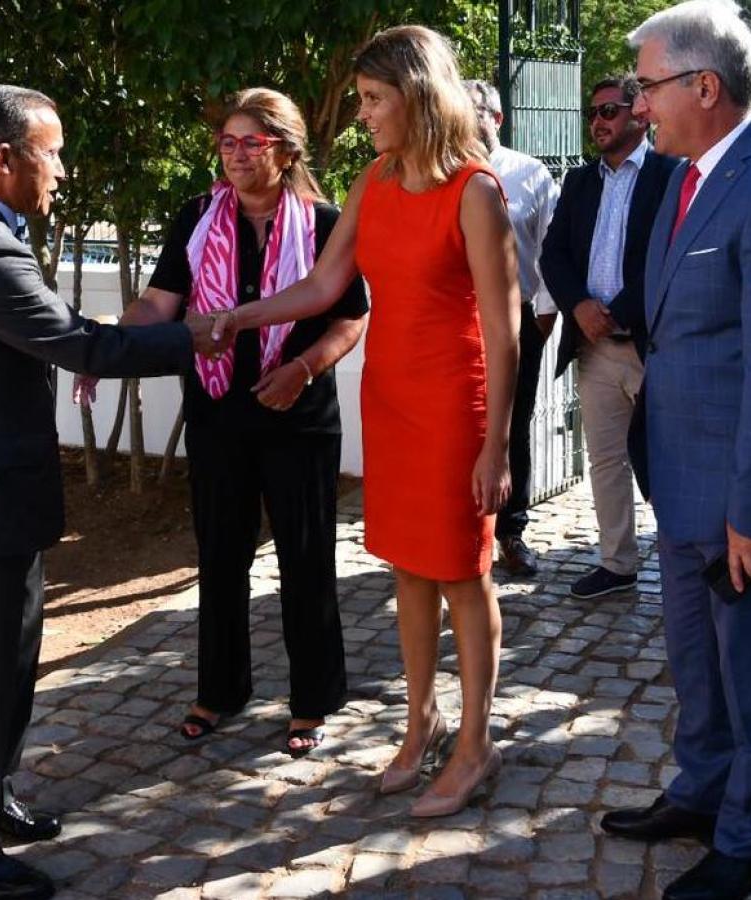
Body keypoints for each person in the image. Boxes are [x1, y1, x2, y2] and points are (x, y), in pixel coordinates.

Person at [194, 25, 519, 819]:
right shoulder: (376, 181)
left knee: (461, 573)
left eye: (375, 99)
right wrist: (241, 316)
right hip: (393, 401)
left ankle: (476, 745)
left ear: (419, 95)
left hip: (454, 405)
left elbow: (504, 324)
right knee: (409, 565)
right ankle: (421, 724)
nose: (365, 114)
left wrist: (497, 443)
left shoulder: (476, 190)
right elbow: (324, 285)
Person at [0, 86, 192, 900]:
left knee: (10, 662)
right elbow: (73, 341)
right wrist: (200, 335)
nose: (60, 170)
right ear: (4, 158)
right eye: (51, 152)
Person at [597, 4, 751, 898]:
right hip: (685, 484)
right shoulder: (685, 178)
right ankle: (702, 792)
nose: (634, 105)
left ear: (705, 86)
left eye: (646, 86)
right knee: (697, 661)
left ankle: (750, 839)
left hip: (745, 499)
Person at [73, 88, 368, 758]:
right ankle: (220, 690)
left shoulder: (323, 224)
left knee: (305, 557)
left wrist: (305, 369)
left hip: (298, 413)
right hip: (217, 412)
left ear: (286, 150)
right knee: (221, 555)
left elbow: (350, 314)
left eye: (251, 143)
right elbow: (158, 304)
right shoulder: (198, 218)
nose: (236, 155)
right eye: (228, 142)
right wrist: (104, 351)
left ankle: (313, 700)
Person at [539, 74, 675, 599]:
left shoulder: (669, 175)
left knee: (666, 459)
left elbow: (668, 258)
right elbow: (553, 254)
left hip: (650, 346)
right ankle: (617, 563)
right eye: (592, 113)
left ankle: (682, 561)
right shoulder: (580, 182)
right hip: (595, 349)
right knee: (604, 459)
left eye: (609, 111)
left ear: (639, 115)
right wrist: (578, 307)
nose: (598, 121)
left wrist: (616, 311)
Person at [463, 79, 559, 577]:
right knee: (460, 425)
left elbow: (549, 244)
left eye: (470, 109)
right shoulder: (444, 172)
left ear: (495, 118)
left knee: (511, 424)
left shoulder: (530, 174)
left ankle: (511, 530)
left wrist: (544, 312)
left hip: (518, 319)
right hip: (458, 320)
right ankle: (460, 525)